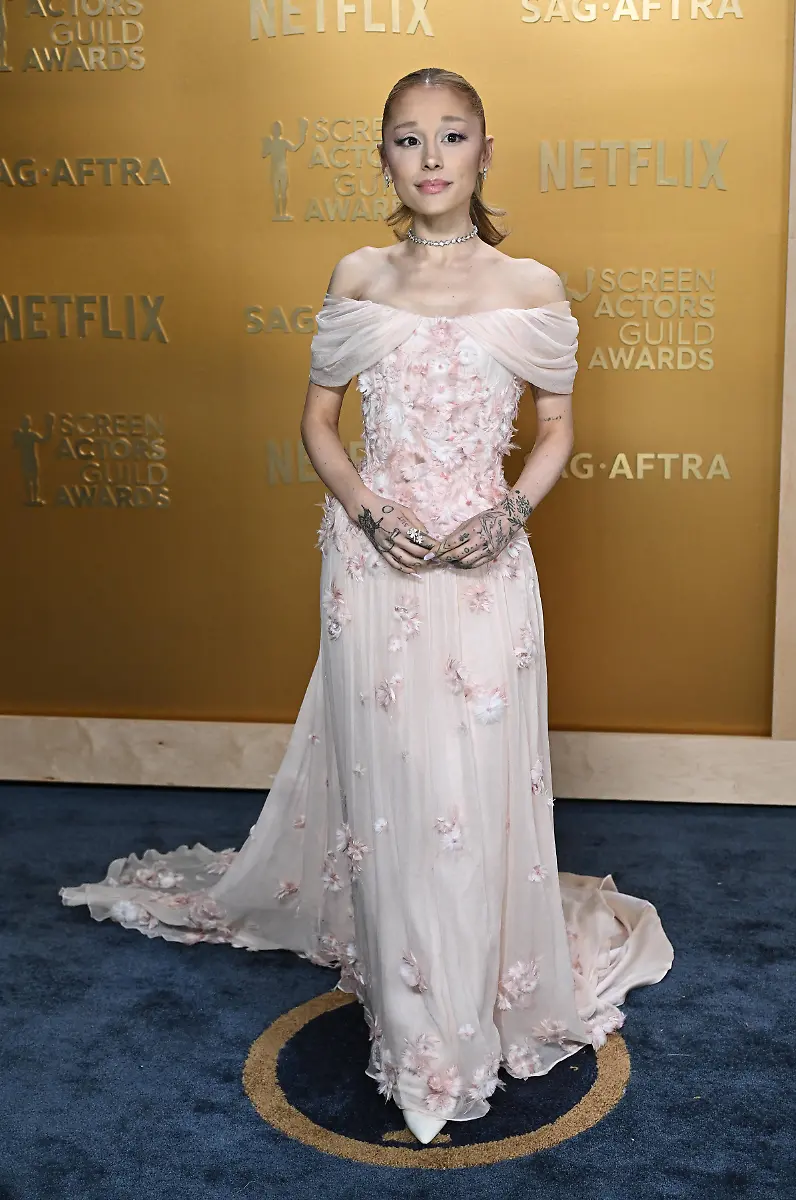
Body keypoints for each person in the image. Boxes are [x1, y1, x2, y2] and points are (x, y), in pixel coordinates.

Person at [60, 67, 674, 1146]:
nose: (430, 157)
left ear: (485, 151)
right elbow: (319, 423)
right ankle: (414, 1029)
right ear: (384, 156)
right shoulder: (358, 274)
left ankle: (465, 1008)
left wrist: (508, 512)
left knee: (465, 789)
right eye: (407, 138)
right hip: (372, 565)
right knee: (393, 789)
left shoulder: (531, 284)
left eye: (452, 136)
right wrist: (367, 509)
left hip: (485, 564)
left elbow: (557, 429)